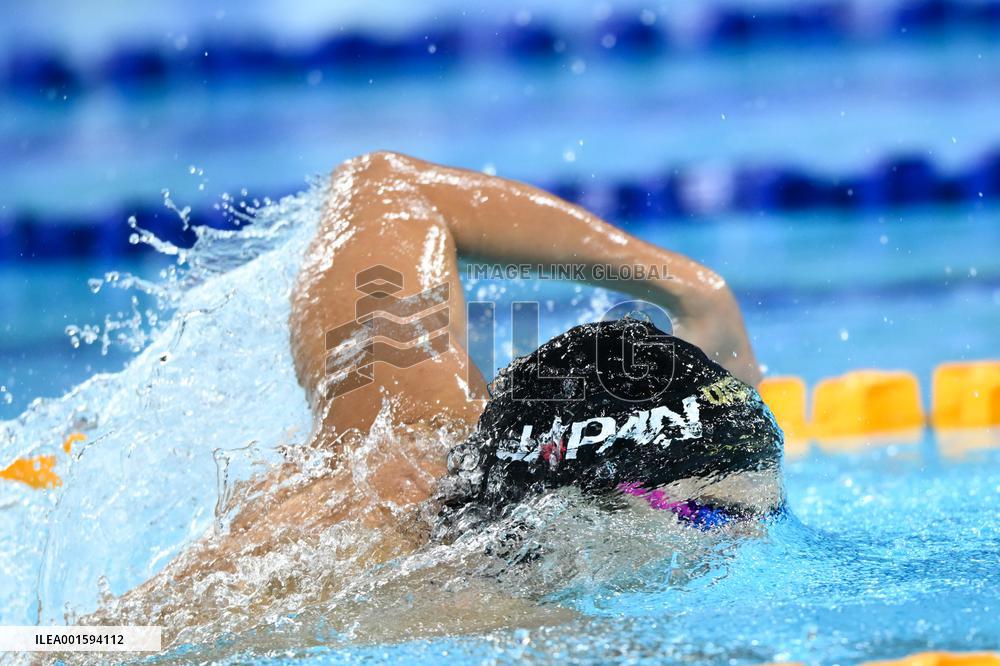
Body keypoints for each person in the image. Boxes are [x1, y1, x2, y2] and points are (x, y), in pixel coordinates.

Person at [89, 152, 782, 643]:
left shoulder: (404, 401)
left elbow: (384, 182)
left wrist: (692, 288)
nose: (753, 539)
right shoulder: (337, 566)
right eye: (712, 519)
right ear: (580, 508)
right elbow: (70, 645)